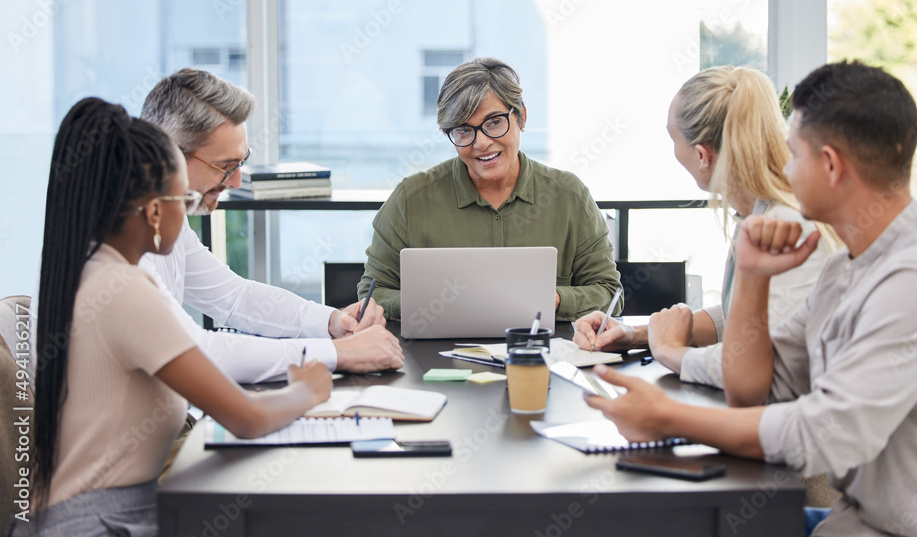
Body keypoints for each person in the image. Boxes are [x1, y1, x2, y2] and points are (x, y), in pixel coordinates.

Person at [585, 61, 917, 536]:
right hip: (860, 518)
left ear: (830, 165)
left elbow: (818, 434)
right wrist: (753, 277)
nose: (782, 168)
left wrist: (667, 416)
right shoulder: (851, 267)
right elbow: (759, 383)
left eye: (793, 154)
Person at [10, 98, 332, 536]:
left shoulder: (88, 267)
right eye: (184, 198)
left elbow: (234, 296)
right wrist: (307, 390)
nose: (191, 210)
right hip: (105, 522)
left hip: (101, 511)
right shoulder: (122, 289)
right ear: (156, 211)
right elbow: (246, 418)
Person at [574, 66, 838, 406]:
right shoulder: (758, 215)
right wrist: (637, 335)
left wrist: (669, 350)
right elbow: (747, 322)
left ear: (702, 156)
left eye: (673, 139)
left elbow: (760, 368)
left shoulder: (789, 227)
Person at [137, 68, 403, 381]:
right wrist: (340, 354)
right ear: (169, 155)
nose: (236, 181)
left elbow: (233, 297)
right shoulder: (123, 247)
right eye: (225, 167)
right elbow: (199, 351)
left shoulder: (170, 218)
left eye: (241, 162)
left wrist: (331, 321)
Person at [359, 57, 621, 322]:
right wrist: (430, 304)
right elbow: (372, 295)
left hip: (542, 356)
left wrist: (552, 299)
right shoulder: (410, 200)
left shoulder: (570, 197)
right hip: (434, 357)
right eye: (463, 130)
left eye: (494, 122)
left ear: (521, 117)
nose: (481, 143)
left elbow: (609, 293)